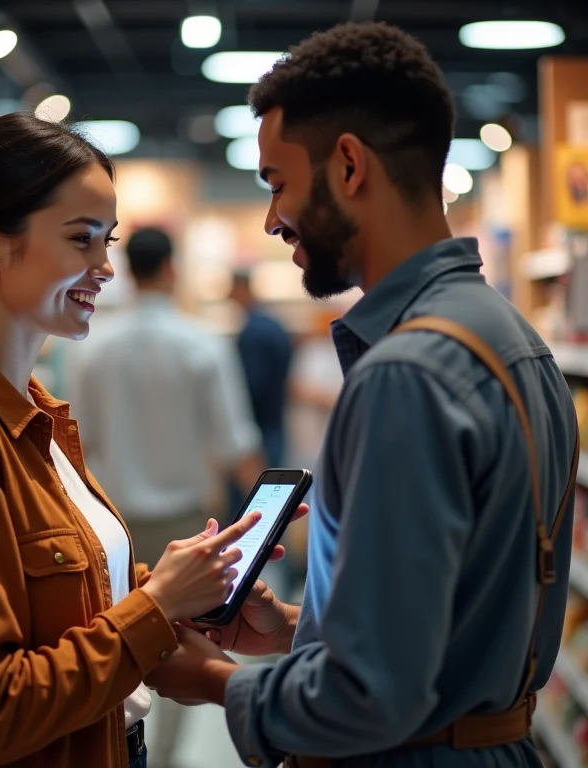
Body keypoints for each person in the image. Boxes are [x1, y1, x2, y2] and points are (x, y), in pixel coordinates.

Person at [145, 21, 579, 768]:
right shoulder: (511, 339)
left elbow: (373, 694)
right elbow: (454, 621)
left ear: (348, 165)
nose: (272, 219)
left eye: (278, 183)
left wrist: (213, 680)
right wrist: (297, 628)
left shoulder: (407, 375)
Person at [0, 112, 265, 768]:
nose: (105, 267)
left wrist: (175, 595)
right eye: (82, 240)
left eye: (108, 241)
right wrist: (158, 603)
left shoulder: (35, 418)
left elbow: (62, 615)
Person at [73, 226, 264, 768]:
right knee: (185, 654)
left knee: (119, 651)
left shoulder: (94, 347)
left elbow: (79, 443)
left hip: (109, 525)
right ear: (172, 268)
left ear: (128, 267)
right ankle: (166, 758)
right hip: (186, 528)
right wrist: (267, 525)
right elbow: (237, 443)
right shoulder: (202, 342)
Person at [230, 269, 293, 468]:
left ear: (242, 288)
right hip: (275, 424)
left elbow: (252, 385)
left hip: (259, 432)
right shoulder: (271, 323)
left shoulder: (255, 331)